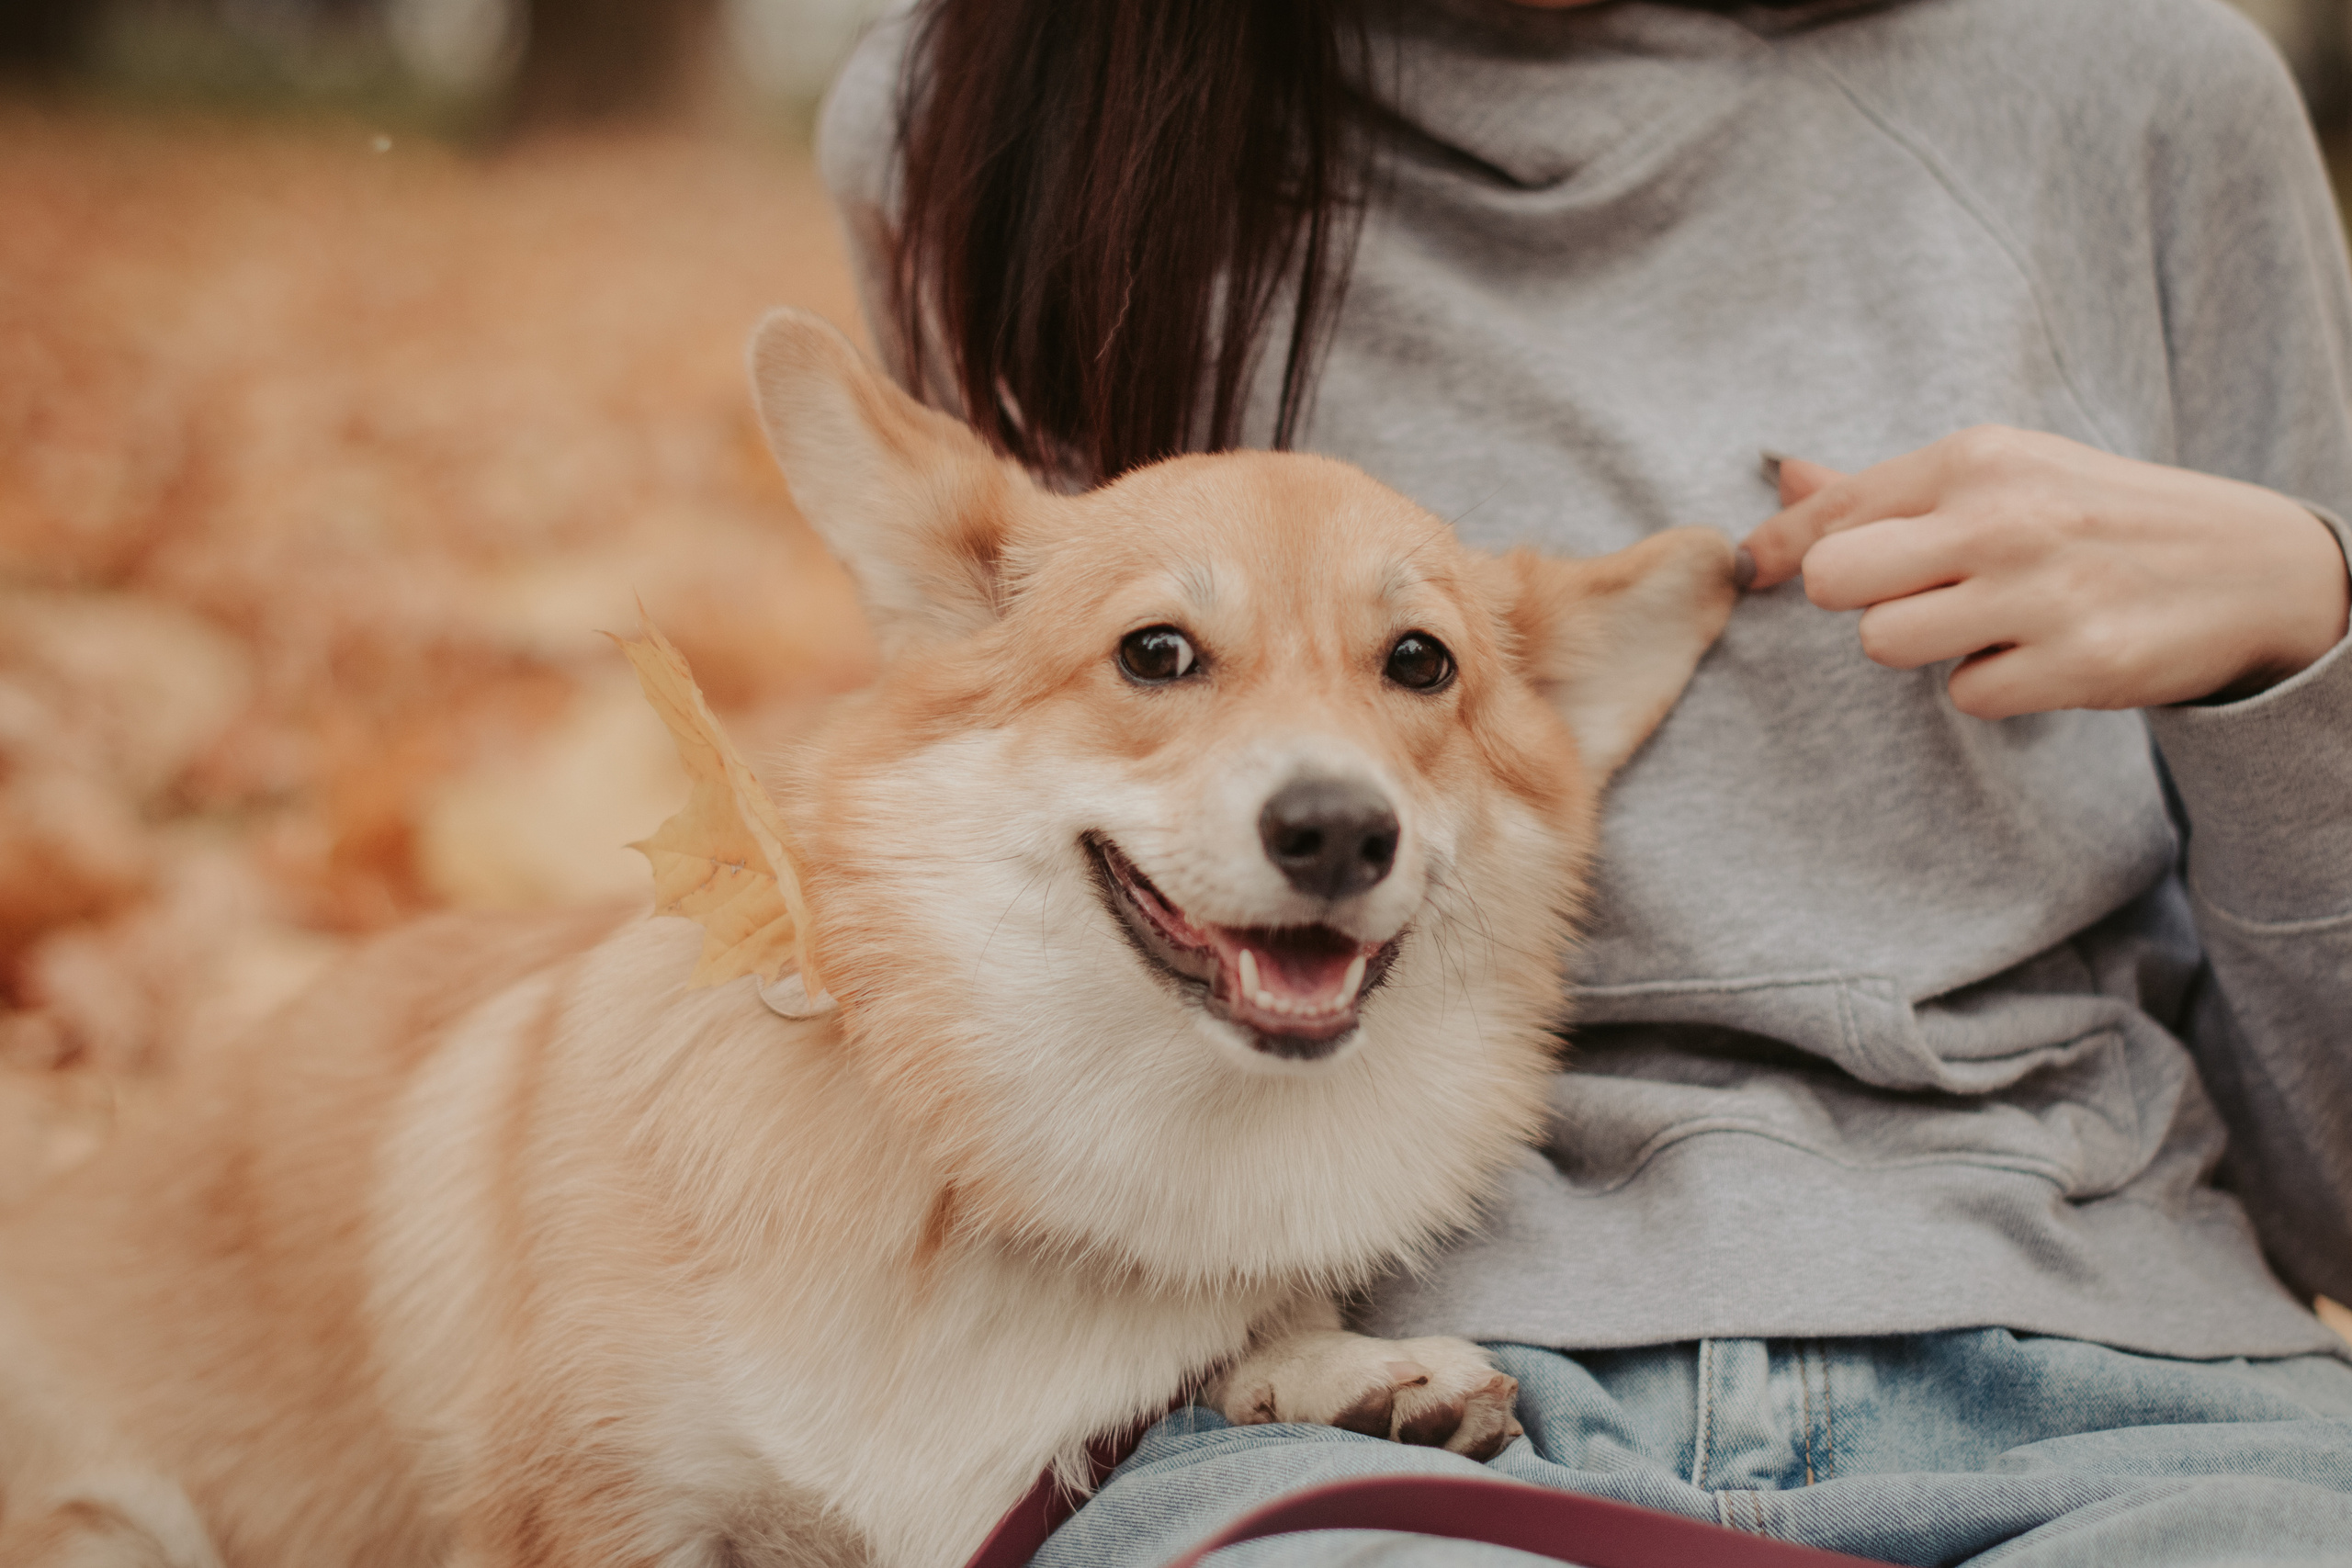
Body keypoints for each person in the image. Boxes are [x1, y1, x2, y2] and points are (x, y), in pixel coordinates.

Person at [816, 0, 2352, 1561]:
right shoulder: (1029, 107)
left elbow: (2338, 1202)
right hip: (1339, 1413)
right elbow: (989, 893)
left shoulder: (2146, 96)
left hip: (2139, 1400)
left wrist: (2303, 632)